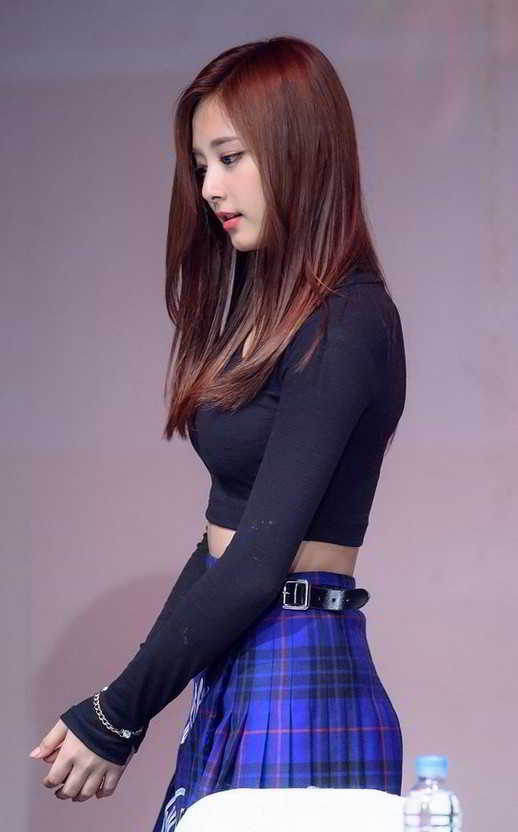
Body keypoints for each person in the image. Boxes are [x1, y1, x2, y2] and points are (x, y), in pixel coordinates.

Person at [30, 36, 407, 829]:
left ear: (299, 150)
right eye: (202, 164)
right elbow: (220, 547)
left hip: (299, 680)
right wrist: (119, 711)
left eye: (231, 157)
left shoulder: (347, 322)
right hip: (243, 669)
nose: (209, 187)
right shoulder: (276, 319)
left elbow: (258, 562)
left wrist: (118, 711)